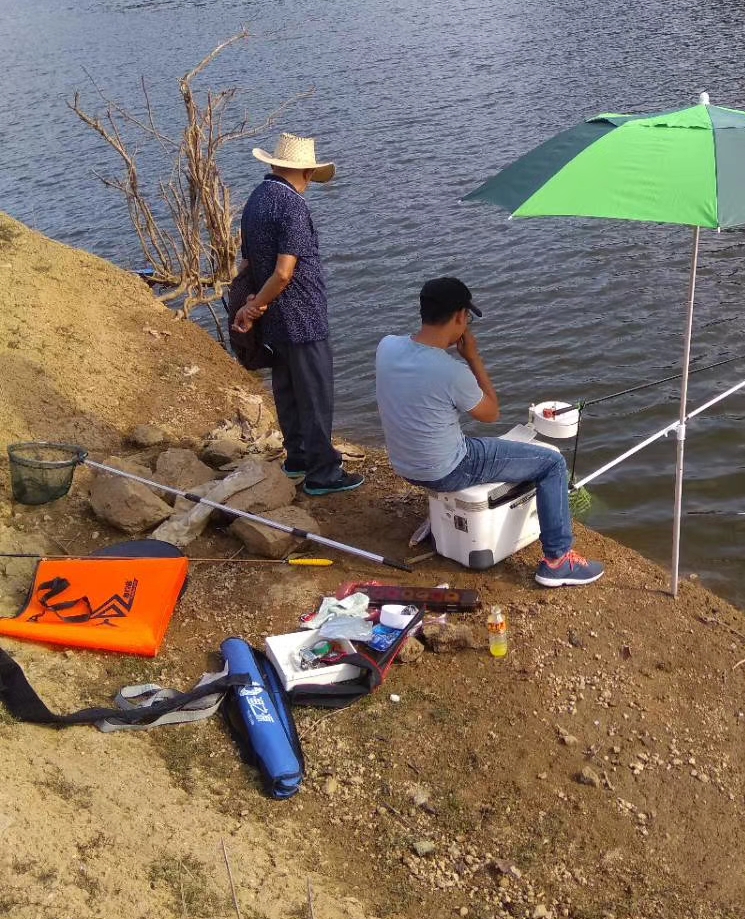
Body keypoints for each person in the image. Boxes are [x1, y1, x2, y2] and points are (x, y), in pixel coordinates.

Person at [375, 277, 603, 588]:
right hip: (448, 469)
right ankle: (558, 560)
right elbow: (491, 413)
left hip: (405, 466)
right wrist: (472, 357)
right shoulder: (452, 372)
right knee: (552, 463)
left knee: (465, 441)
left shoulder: (386, 346)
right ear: (459, 317)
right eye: (467, 317)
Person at [232, 132, 362, 497]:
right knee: (317, 393)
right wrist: (254, 307)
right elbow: (285, 271)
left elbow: (247, 264)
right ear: (305, 171)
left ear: (274, 164)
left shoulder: (256, 200)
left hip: (274, 320)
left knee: (287, 388)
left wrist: (251, 307)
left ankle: (297, 459)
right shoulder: (292, 206)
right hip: (303, 315)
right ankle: (323, 472)